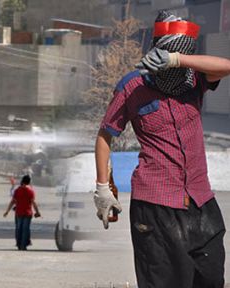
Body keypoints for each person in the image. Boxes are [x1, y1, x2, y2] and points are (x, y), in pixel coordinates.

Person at [94, 11, 230, 288]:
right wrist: (102, 188)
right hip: (155, 204)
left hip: (200, 201)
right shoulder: (132, 87)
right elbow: (105, 135)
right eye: (171, 52)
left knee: (211, 278)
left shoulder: (195, 81)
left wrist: (177, 61)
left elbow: (226, 65)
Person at [3, 175, 41, 251]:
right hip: (27, 213)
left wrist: (7, 211)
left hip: (19, 213)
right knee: (25, 229)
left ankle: (19, 244)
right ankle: (23, 245)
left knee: (18, 229)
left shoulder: (17, 190)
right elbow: (33, 203)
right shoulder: (31, 191)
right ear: (29, 182)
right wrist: (37, 212)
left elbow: (12, 202)